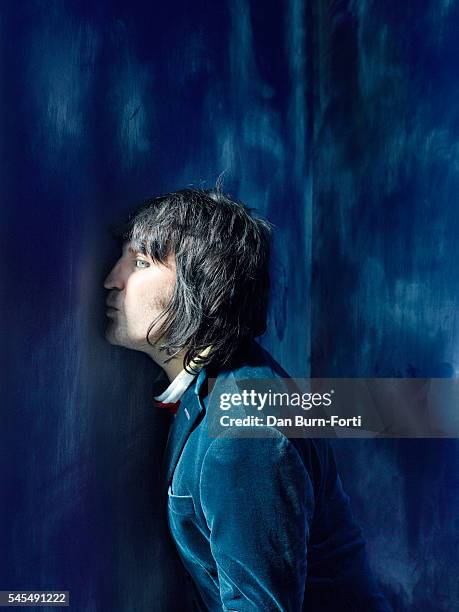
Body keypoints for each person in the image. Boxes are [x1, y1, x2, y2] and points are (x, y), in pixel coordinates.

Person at [103, 187, 391, 611]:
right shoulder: (215, 382)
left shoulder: (243, 432)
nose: (112, 279)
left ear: (201, 288)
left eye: (141, 263)